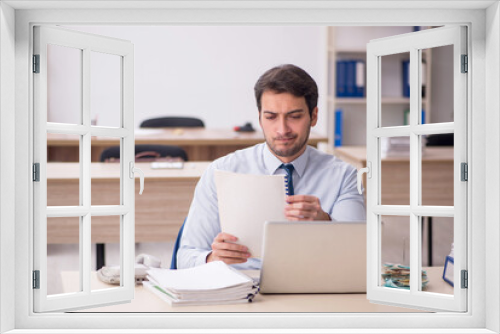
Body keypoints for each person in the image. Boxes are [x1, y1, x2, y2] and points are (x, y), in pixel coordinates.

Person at [177, 64, 366, 270]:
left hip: (315, 289)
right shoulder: (221, 172)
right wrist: (213, 258)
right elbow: (185, 258)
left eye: (294, 116)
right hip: (241, 291)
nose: (282, 129)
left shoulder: (345, 177)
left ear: (313, 116)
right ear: (259, 117)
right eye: (271, 117)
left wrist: (325, 224)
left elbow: (357, 257)